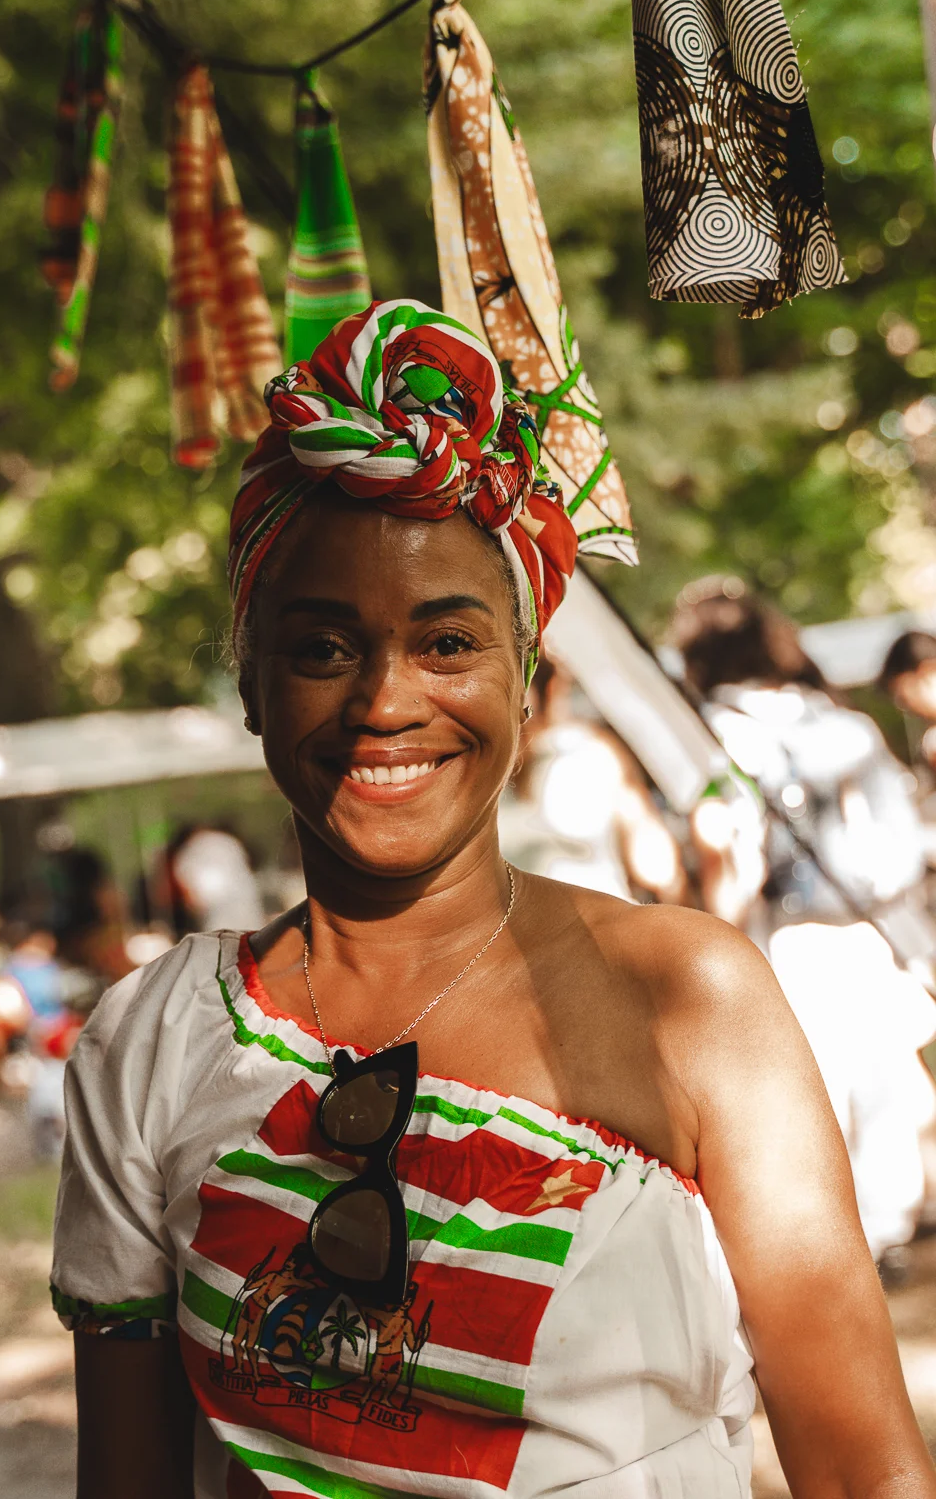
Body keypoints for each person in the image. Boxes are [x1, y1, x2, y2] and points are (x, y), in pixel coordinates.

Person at [52, 302, 934, 1499]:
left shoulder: (690, 998)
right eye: (321, 649)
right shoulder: (156, 1040)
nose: (385, 702)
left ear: (524, 680)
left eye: (448, 644)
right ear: (251, 685)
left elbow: (865, 1473)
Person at [675, 581, 936, 1266]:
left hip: (792, 933)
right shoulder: (833, 717)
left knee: (816, 1087)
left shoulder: (724, 730)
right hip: (871, 924)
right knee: (882, 1077)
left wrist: (720, 950)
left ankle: (848, 1243)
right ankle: (891, 1229)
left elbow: (727, 852)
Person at [501, 656, 691, 903]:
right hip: (603, 917)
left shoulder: (474, 769)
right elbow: (656, 865)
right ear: (553, 688)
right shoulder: (590, 748)